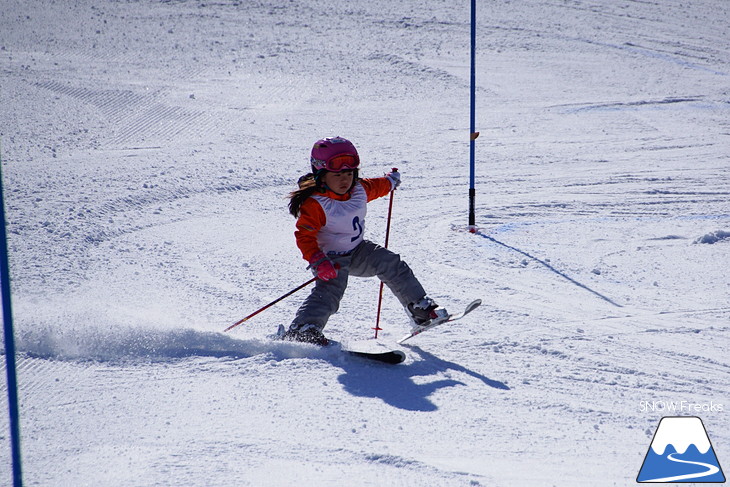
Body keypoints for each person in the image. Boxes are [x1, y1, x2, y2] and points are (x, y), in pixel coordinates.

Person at [281, 136, 448, 345]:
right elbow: (304, 236)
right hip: (330, 259)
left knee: (390, 262)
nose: (344, 180)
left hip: (358, 251)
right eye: (338, 174)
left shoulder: (359, 189)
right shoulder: (316, 204)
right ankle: (304, 329)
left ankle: (419, 310)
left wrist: (390, 181)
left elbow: (377, 186)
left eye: (349, 173)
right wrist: (317, 259)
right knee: (331, 291)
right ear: (321, 176)